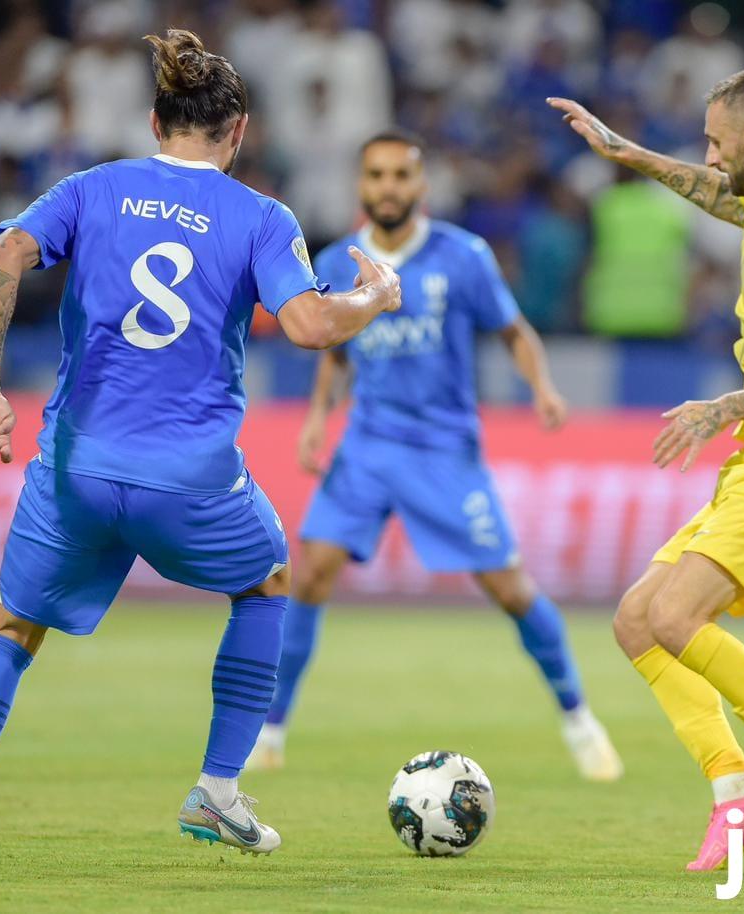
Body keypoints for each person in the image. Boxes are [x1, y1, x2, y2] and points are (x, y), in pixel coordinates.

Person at [0, 29, 401, 868]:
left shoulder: (92, 188)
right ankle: (218, 790)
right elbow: (311, 326)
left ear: (153, 120)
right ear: (238, 132)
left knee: (11, 627)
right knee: (269, 578)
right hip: (187, 478)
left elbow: (2, 256)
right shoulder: (261, 216)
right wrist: (373, 296)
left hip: (77, 467)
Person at [550, 67, 744, 871]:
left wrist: (722, 407)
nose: (709, 152)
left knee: (675, 617)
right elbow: (720, 196)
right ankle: (737, 796)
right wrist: (624, 152)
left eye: (716, 140)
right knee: (637, 621)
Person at [248, 129, 623, 782]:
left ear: (421, 186)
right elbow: (335, 346)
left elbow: (513, 330)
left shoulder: (463, 256)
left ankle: (579, 717)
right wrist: (317, 419)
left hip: (444, 451)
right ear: (360, 186)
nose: (388, 187)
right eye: (376, 176)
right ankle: (271, 730)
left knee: (508, 588)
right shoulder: (338, 257)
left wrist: (542, 386)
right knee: (307, 576)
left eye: (400, 175)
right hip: (367, 444)